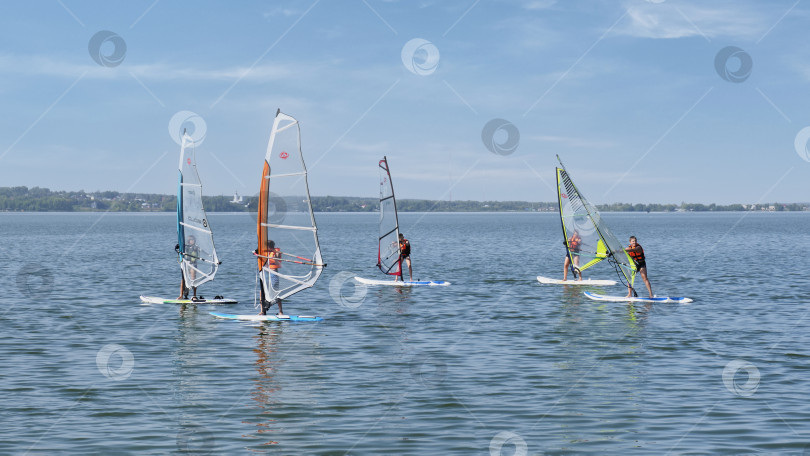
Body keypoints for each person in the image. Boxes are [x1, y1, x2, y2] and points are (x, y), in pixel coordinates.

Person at [257, 239, 284, 316]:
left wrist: (274, 253)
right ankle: (262, 311)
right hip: (265, 273)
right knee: (261, 292)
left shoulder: (277, 252)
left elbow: (276, 261)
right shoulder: (264, 252)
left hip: (273, 272)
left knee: (276, 292)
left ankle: (281, 311)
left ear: (269, 247)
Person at [176, 235, 200, 300]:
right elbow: (180, 249)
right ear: (188, 241)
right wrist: (178, 247)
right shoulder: (185, 247)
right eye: (191, 240)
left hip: (193, 264)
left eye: (193, 239)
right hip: (185, 264)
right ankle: (181, 295)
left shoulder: (196, 247)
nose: (192, 241)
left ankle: (194, 295)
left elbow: (204, 253)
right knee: (183, 280)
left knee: (193, 278)